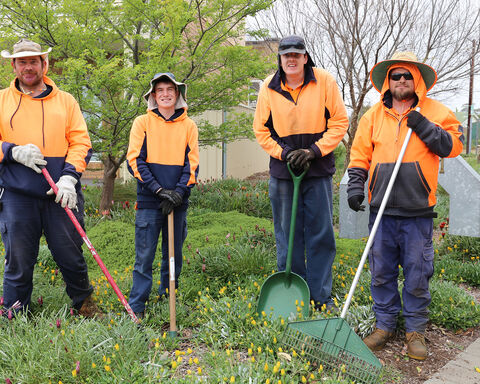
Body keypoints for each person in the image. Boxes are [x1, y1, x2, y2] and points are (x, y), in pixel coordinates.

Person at [347, 52, 464, 360]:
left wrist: (424, 126)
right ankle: (384, 326)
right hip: (381, 212)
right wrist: (357, 187)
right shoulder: (372, 116)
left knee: (417, 274)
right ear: (388, 80)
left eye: (407, 76)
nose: (401, 81)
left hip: (417, 213)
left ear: (417, 80)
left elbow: (453, 147)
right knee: (381, 272)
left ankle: (415, 331)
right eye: (396, 76)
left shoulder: (436, 111)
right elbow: (360, 156)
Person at [0, 39, 102, 317]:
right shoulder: (1, 101)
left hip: (61, 194)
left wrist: (69, 178)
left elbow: (81, 143)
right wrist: (12, 151)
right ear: (14, 66)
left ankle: (84, 305)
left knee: (70, 253)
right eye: (23, 62)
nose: (28, 67)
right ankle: (15, 312)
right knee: (18, 259)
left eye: (34, 61)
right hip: (17, 196)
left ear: (45, 63)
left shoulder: (66, 101)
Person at [253, 35, 348, 310]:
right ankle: (296, 294)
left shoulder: (325, 81)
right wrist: (284, 154)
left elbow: (340, 121)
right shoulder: (268, 88)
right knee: (287, 234)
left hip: (317, 171)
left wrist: (313, 152)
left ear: (305, 57)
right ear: (280, 59)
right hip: (284, 174)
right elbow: (261, 130)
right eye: (286, 55)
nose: (291, 59)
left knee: (320, 234)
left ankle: (320, 296)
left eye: (297, 54)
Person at [127, 72, 199, 319]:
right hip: (149, 201)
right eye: (160, 90)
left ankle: (167, 299)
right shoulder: (142, 123)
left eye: (170, 90)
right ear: (153, 96)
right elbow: (135, 161)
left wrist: (178, 192)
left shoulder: (189, 126)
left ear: (177, 94)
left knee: (173, 256)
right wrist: (158, 190)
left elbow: (192, 165)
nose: (166, 94)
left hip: (177, 203)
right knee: (144, 257)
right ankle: (137, 307)